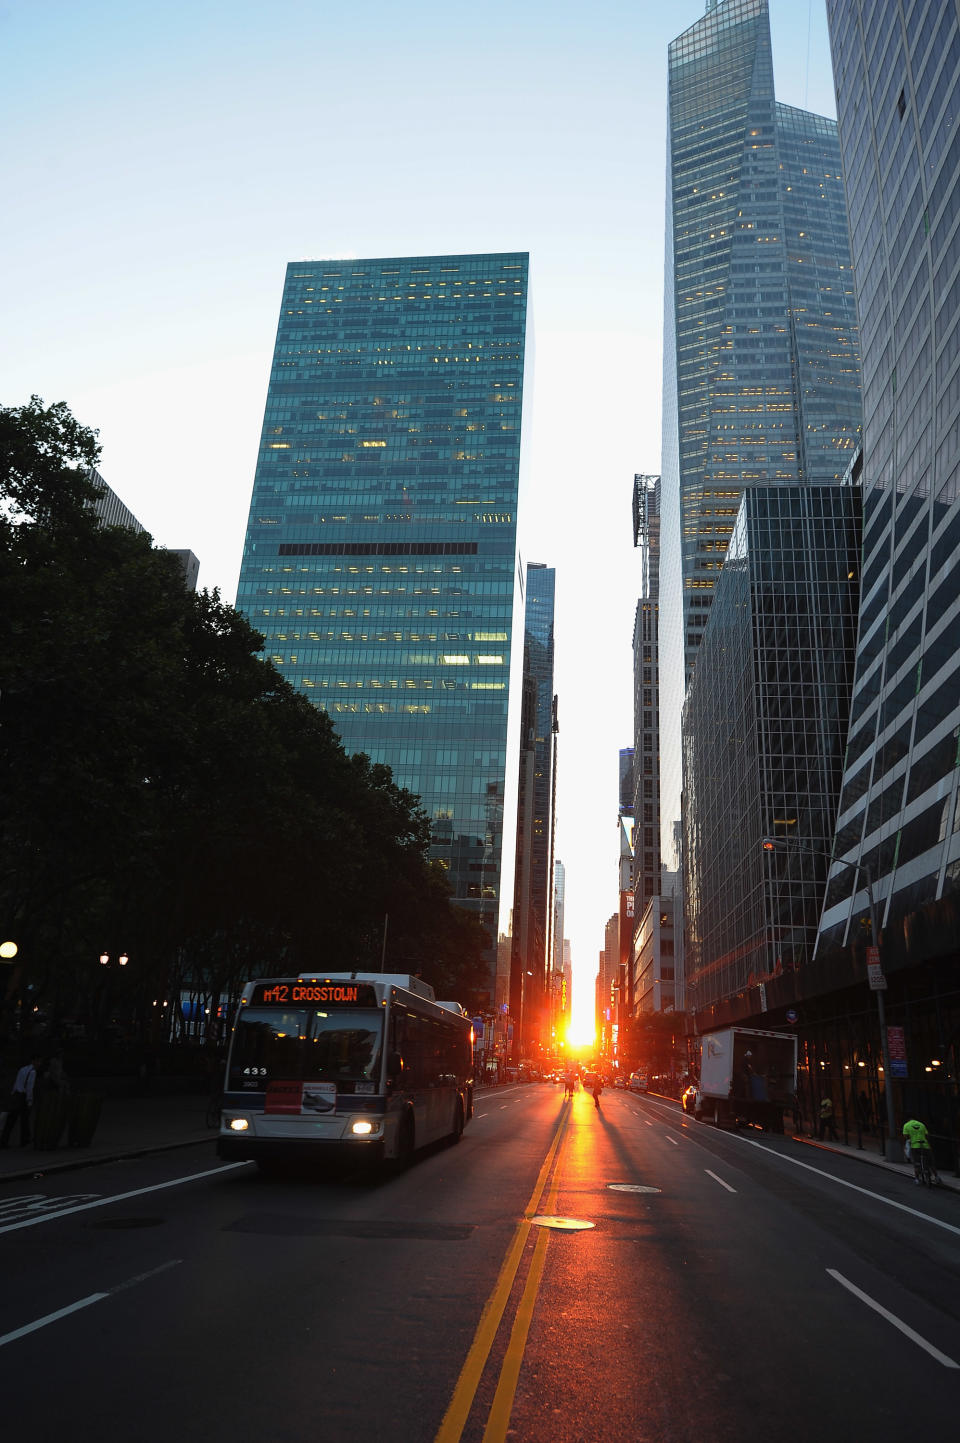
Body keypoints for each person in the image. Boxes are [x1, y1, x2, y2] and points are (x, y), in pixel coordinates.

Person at [0, 1054, 41, 1148]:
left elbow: (17, 1082)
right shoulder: (32, 1072)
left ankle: (4, 1141)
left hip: (17, 1095)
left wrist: (13, 1093)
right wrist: (30, 1100)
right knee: (24, 1119)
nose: (39, 1063)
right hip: (23, 1096)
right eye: (38, 1061)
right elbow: (29, 1088)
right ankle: (24, 1139)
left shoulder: (22, 1069)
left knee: (12, 1120)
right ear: (34, 1061)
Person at [902, 1117, 939, 1185]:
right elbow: (927, 1135)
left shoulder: (906, 1125)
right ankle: (937, 1177)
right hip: (925, 1145)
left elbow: (906, 1136)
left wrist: (910, 1140)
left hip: (915, 1146)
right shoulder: (921, 1124)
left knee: (916, 1163)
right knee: (930, 1162)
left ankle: (917, 1179)